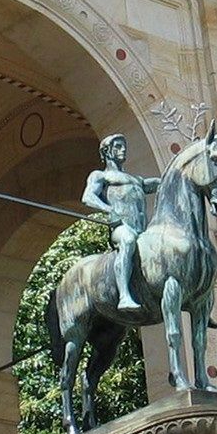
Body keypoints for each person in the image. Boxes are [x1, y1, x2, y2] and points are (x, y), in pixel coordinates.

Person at [83, 133, 159, 320]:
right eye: (117, 146)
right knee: (128, 240)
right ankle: (124, 295)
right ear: (107, 151)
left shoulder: (136, 179)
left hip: (142, 229)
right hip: (121, 227)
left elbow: (156, 183)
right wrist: (109, 210)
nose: (123, 149)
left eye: (123, 146)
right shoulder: (101, 176)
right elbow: (88, 197)